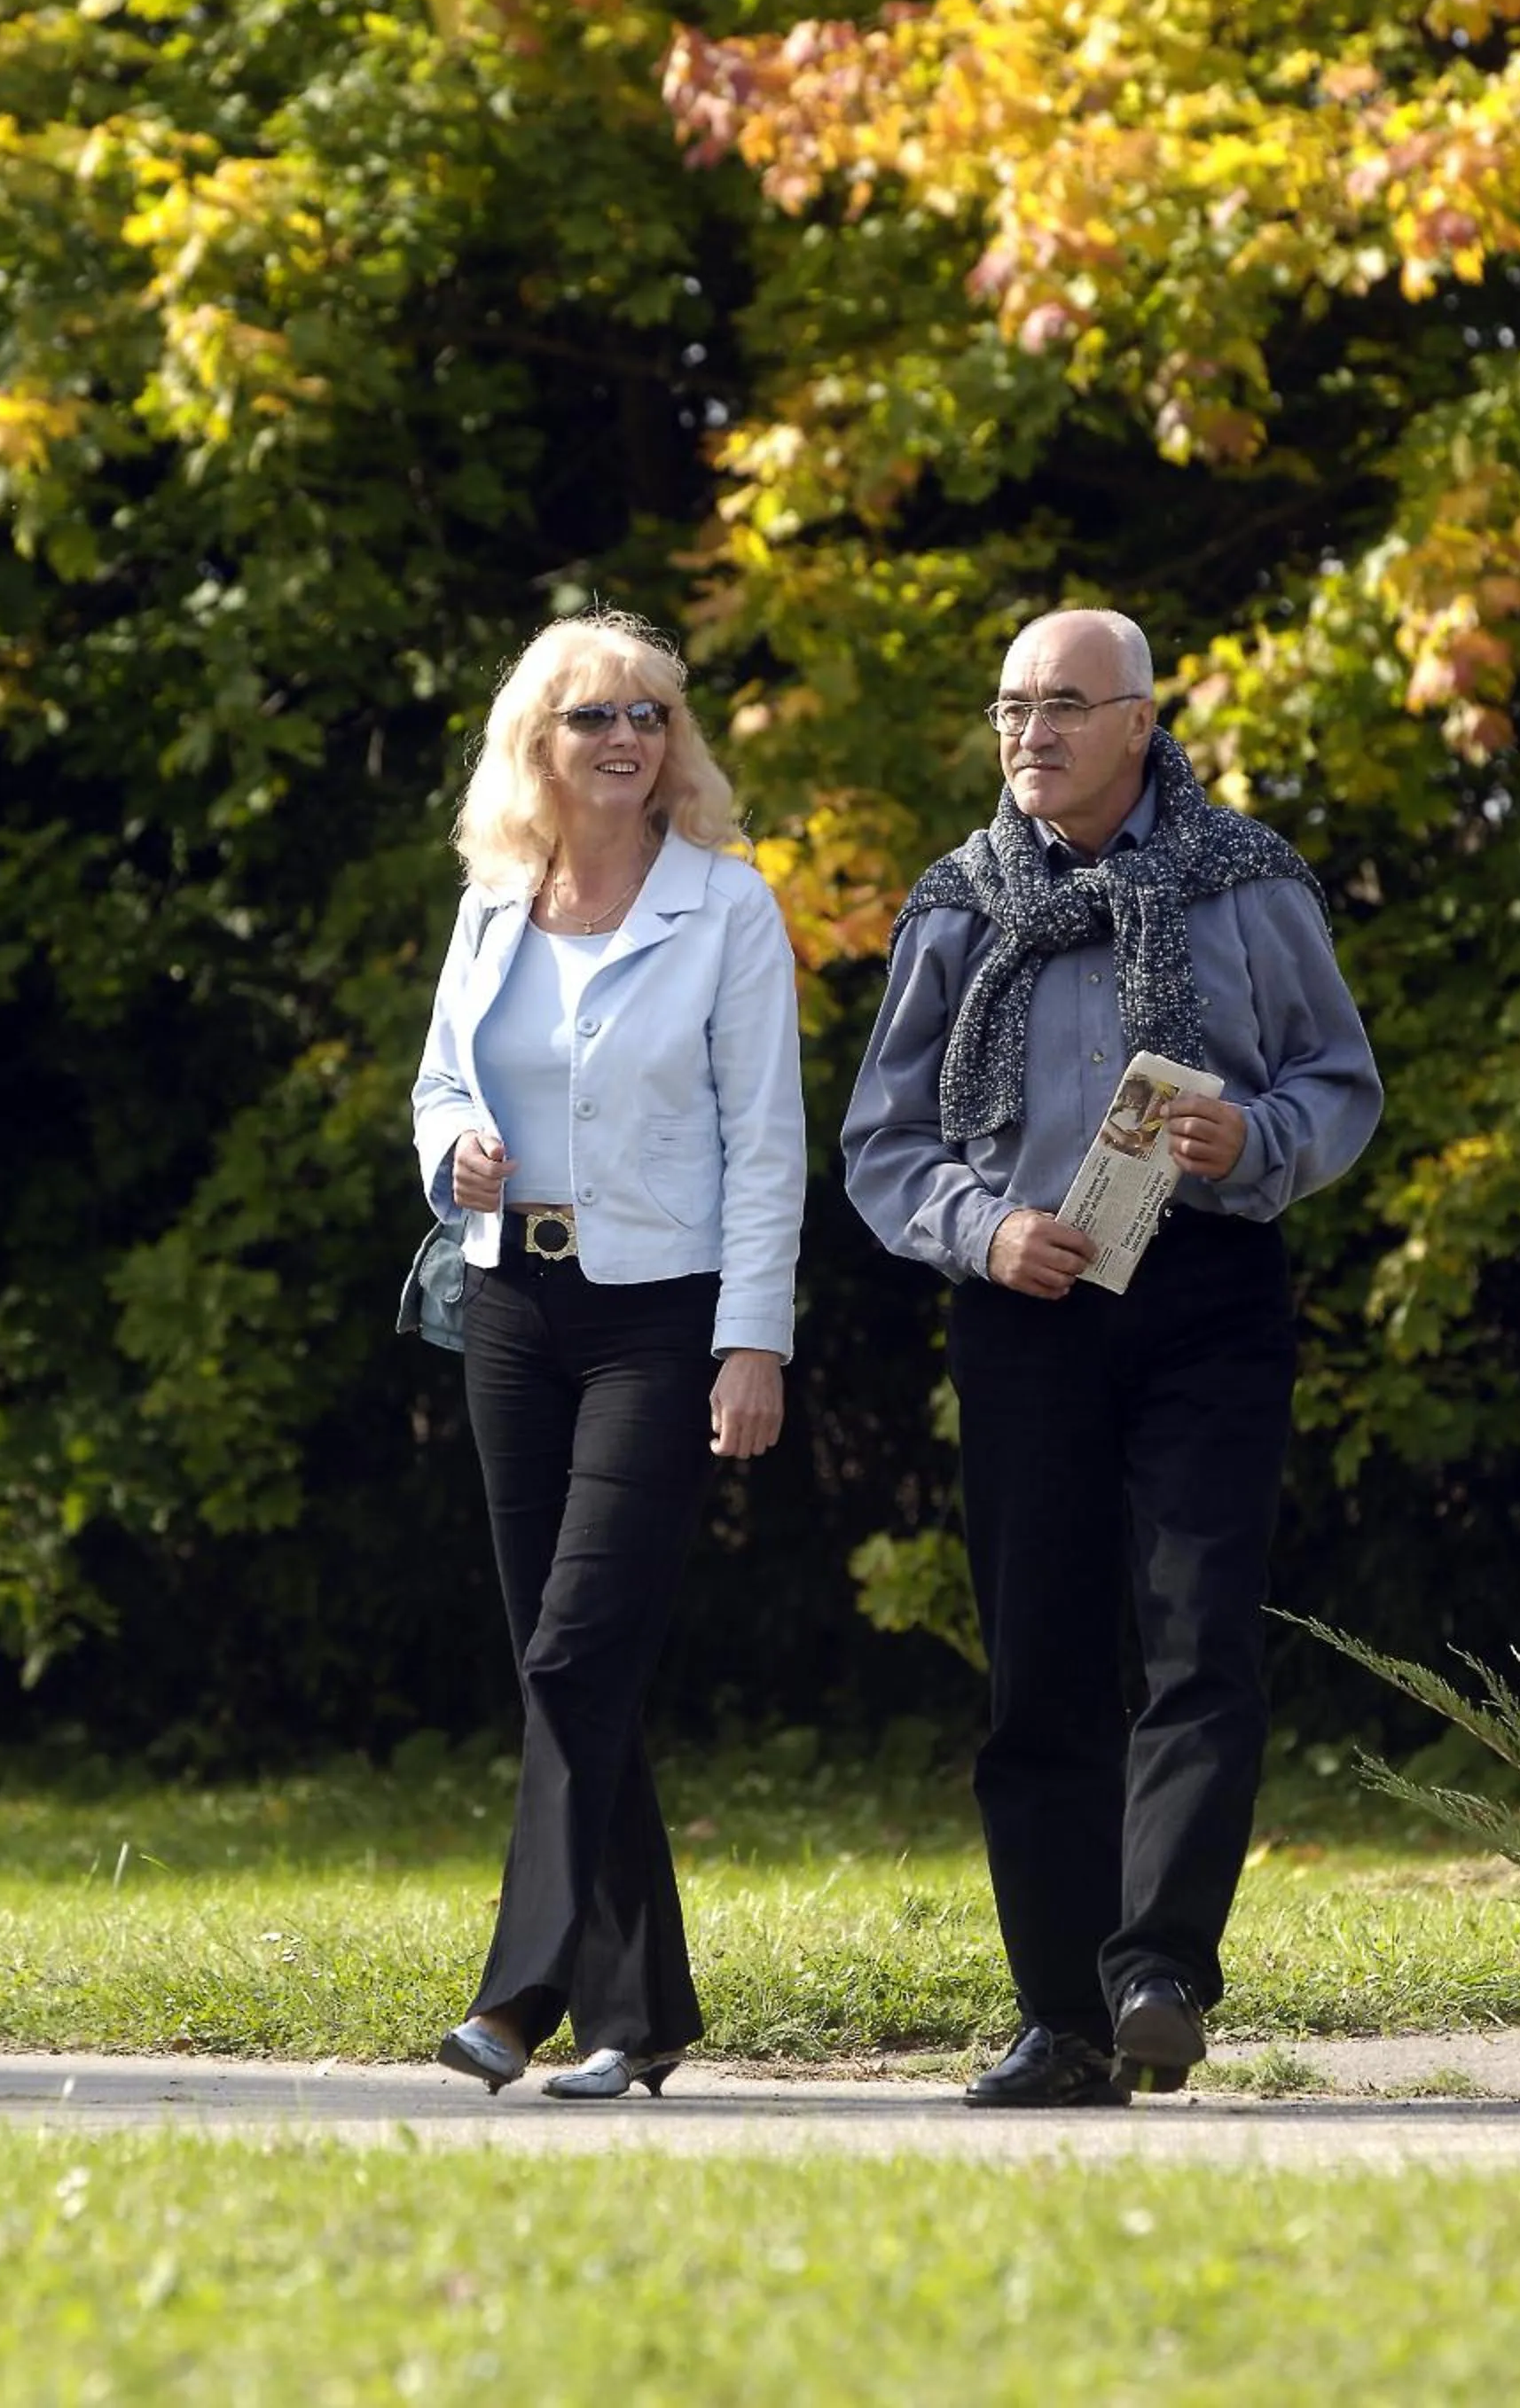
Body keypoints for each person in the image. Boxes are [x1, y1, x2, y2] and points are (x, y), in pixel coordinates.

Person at [843, 606, 1382, 2108]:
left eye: (1067, 705)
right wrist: (981, 1230)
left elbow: (1340, 1082)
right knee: (1040, 1666)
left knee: (1197, 1637)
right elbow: (882, 1142)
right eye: (1013, 705)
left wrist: (1253, 1136)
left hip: (1209, 1288)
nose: (1032, 733)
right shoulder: (959, 901)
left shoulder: (1248, 881)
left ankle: (1156, 1976)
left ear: (1142, 721)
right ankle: (1059, 2019)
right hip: (1023, 1304)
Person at [412, 607, 805, 2102]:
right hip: (514, 1308)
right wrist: (457, 1145)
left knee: (579, 1652)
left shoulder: (730, 908)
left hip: (665, 1313)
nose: (628, 739)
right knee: (570, 1665)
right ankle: (641, 2019)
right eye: (596, 718)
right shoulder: (494, 898)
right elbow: (441, 1078)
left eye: (650, 715)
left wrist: (751, 1342)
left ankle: (519, 1995)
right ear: (540, 744)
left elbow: (768, 1144)